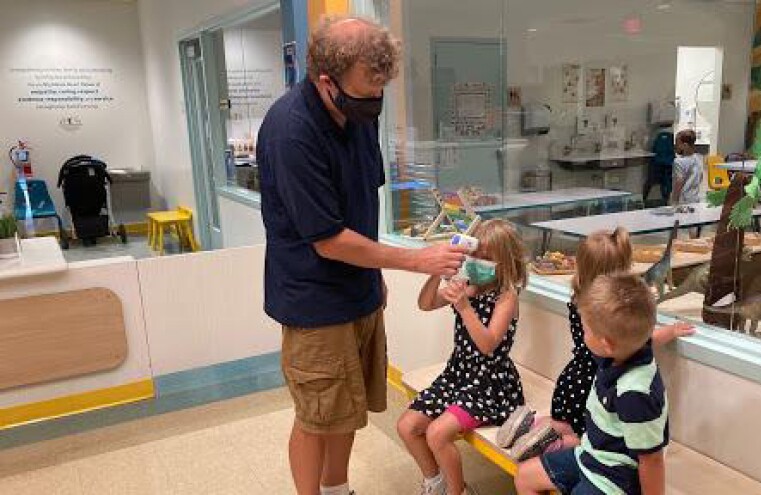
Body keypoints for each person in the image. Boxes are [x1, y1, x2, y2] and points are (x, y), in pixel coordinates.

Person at [257, 17, 468, 495]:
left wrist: (374, 275)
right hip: (314, 300)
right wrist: (416, 261)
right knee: (316, 415)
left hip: (358, 289)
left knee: (347, 408)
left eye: (380, 91)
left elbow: (363, 202)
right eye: (364, 92)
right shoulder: (291, 131)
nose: (374, 102)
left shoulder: (358, 117)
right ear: (326, 81)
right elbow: (328, 239)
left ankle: (337, 488)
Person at [496, 228, 693, 462]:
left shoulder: (579, 298)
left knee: (562, 423)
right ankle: (553, 446)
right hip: (593, 381)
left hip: (572, 377)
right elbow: (638, 341)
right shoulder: (607, 313)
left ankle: (529, 426)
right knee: (585, 436)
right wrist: (670, 332)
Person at [397, 219, 529, 495]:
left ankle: (457, 491)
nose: (478, 262)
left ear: (505, 263)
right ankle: (436, 482)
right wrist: (437, 272)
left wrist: (464, 307)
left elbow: (488, 345)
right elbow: (425, 304)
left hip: (490, 384)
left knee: (437, 434)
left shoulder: (506, 297)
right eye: (475, 254)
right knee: (407, 426)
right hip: (458, 374)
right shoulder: (467, 285)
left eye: (486, 257)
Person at [514, 273, 669, 495]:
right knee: (524, 476)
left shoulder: (635, 394)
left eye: (585, 330)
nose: (583, 334)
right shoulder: (620, 352)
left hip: (614, 480)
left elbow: (651, 460)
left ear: (606, 344)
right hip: (590, 455)